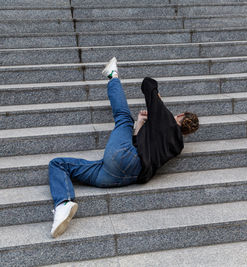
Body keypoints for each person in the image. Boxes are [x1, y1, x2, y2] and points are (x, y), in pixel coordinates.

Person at [48, 57, 199, 238]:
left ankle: (113, 75)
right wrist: (141, 123)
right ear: (186, 133)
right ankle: (63, 207)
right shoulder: (177, 146)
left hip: (122, 159)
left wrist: (159, 103)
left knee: (123, 117)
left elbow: (148, 83)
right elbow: (142, 146)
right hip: (123, 176)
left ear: (180, 115)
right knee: (59, 164)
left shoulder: (165, 118)